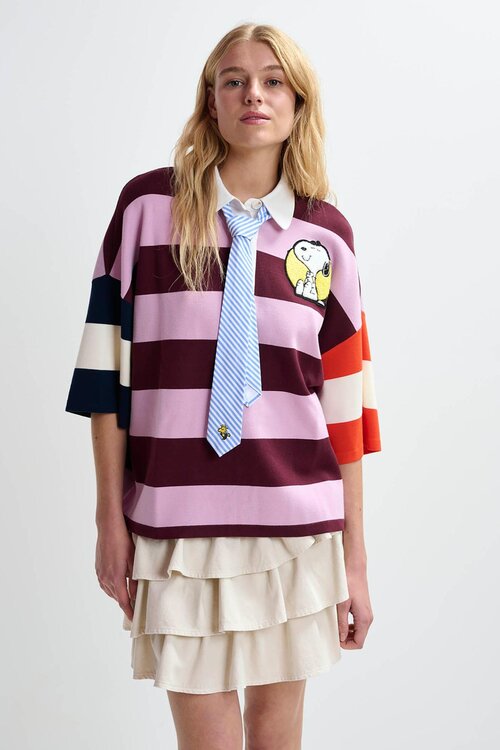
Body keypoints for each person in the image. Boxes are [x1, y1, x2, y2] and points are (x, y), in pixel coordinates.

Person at [65, 21, 382, 750]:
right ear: (211, 101)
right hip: (176, 523)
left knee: (277, 733)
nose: (253, 95)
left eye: (273, 82)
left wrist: (355, 561)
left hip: (296, 529)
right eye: (233, 81)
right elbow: (104, 379)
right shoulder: (147, 211)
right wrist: (109, 519)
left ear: (298, 104)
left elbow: (344, 413)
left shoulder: (327, 237)